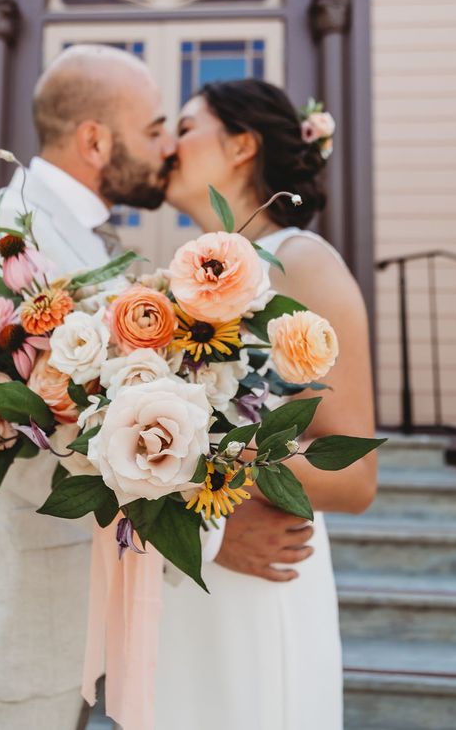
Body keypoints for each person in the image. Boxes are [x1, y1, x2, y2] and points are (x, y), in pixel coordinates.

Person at [0, 44, 177, 730]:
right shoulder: (4, 234)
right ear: (95, 139)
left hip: (71, 614)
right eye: (154, 128)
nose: (167, 146)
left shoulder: (82, 232)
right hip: (13, 620)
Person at [156, 78, 377, 730]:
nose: (169, 143)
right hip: (194, 560)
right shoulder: (189, 277)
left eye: (188, 125)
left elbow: (355, 475)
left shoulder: (303, 263)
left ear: (242, 146)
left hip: (259, 579)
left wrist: (207, 454)